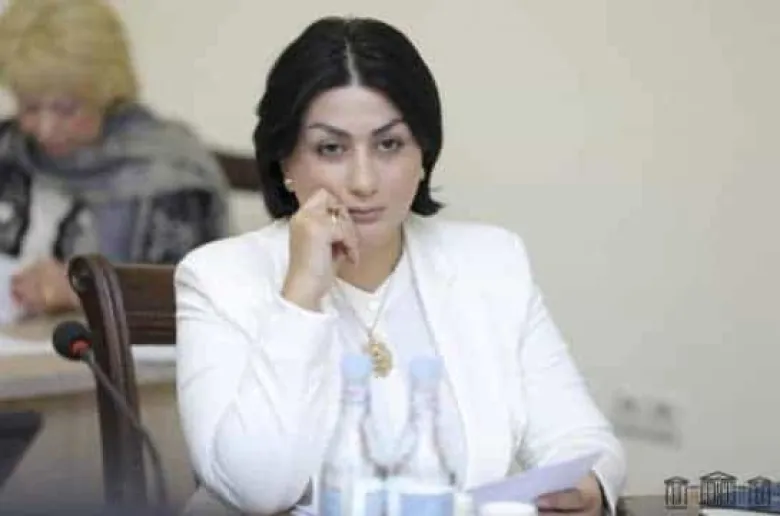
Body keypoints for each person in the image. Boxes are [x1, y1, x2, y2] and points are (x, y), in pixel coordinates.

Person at [175, 16, 626, 516]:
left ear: (424, 154)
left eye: (389, 145)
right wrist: (301, 294)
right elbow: (256, 491)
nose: (363, 181)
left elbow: (582, 439)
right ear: (285, 161)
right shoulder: (218, 278)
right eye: (331, 148)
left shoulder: (492, 262)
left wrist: (585, 484)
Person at [0, 0, 229, 318]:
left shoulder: (169, 175)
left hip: (113, 348)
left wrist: (87, 292)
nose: (45, 128)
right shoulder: (9, 149)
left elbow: (196, 299)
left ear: (105, 94)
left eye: (66, 109)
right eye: (30, 107)